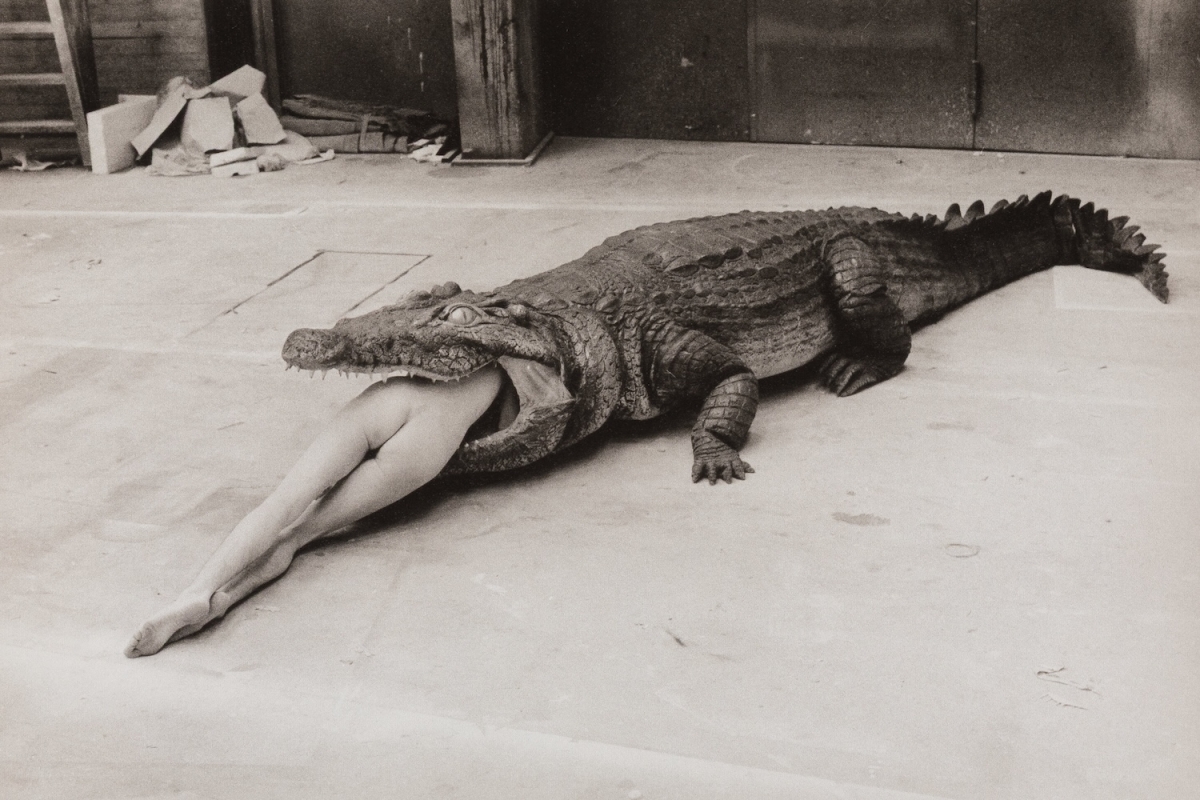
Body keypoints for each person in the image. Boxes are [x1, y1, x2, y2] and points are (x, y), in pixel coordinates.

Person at [125, 366, 504, 657]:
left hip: (390, 399)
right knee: (299, 535)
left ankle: (196, 592)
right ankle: (222, 603)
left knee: (280, 505)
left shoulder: (463, 328)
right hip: (435, 436)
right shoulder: (527, 364)